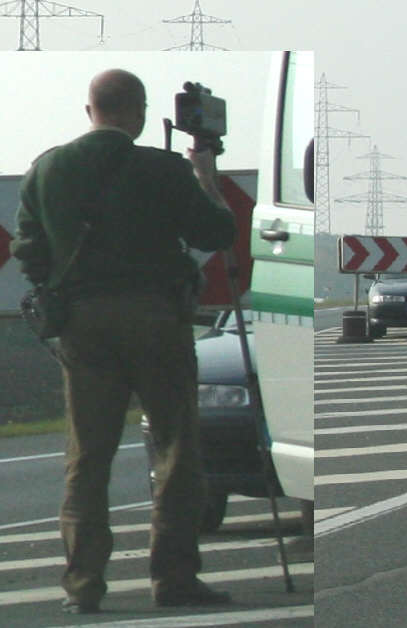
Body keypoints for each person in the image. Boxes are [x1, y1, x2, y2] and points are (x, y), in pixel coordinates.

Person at [10, 69, 235, 614]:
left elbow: (28, 249)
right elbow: (217, 234)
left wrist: (58, 299)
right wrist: (206, 172)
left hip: (83, 323)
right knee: (177, 446)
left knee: (87, 456)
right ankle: (174, 578)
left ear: (90, 111)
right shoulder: (163, 168)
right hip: (157, 318)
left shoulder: (46, 169)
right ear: (139, 113)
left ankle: (84, 584)